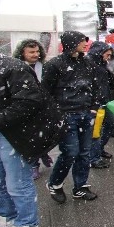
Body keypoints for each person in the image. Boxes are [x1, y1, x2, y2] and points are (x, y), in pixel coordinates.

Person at [44, 31, 101, 203]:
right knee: (70, 152)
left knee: (84, 152)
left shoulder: (88, 63)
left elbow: (95, 86)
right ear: (71, 42)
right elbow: (45, 93)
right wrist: (57, 114)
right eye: (82, 41)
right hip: (66, 115)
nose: (85, 44)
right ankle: (55, 183)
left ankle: (80, 187)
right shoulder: (54, 64)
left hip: (86, 113)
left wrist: (93, 107)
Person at [0, 54, 43, 227]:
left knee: (17, 182)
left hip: (16, 133)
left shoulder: (13, 67)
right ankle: (7, 220)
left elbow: (29, 103)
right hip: (1, 129)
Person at [12, 39, 53, 180]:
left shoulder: (44, 66)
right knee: (32, 138)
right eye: (31, 52)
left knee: (44, 135)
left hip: (43, 107)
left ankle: (43, 152)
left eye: (37, 51)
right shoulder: (16, 68)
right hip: (26, 108)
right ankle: (34, 164)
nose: (35, 54)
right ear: (22, 53)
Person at [86, 42, 114, 169]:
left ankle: (99, 149)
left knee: (111, 124)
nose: (108, 57)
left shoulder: (102, 65)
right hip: (94, 104)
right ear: (99, 52)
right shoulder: (89, 65)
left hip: (104, 101)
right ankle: (94, 158)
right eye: (107, 54)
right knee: (96, 131)